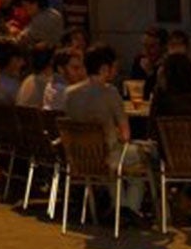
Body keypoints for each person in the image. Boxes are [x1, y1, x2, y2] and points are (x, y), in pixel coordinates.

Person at [62, 43, 154, 217]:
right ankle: (129, 210)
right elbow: (126, 132)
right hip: (108, 155)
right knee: (140, 161)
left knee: (113, 162)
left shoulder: (69, 93)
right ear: (105, 68)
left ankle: (118, 208)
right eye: (114, 68)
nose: (116, 72)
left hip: (79, 155)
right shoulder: (110, 93)